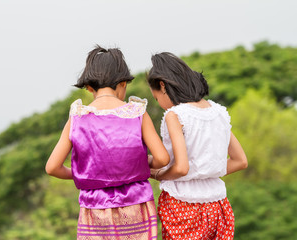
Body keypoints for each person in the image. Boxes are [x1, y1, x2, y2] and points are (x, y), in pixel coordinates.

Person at [45, 46, 170, 239]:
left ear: (88, 87)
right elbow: (162, 159)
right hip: (136, 206)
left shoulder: (78, 117)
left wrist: (86, 173)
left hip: (94, 210)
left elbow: (52, 167)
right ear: (122, 83)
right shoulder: (137, 113)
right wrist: (133, 165)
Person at [147, 52, 248, 240]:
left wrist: (158, 175)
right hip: (218, 206)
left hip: (183, 205)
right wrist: (206, 170)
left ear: (162, 85)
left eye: (156, 98)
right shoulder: (217, 112)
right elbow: (240, 161)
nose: (160, 104)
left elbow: (182, 168)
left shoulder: (175, 115)